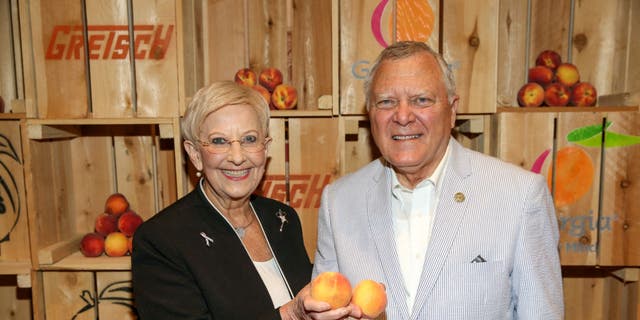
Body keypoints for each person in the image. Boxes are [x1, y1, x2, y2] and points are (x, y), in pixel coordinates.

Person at [311, 41, 564, 319]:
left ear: (452, 110)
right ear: (370, 113)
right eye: (386, 102)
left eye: (421, 100)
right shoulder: (339, 202)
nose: (403, 116)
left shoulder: (519, 195)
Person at [132, 81, 353, 319]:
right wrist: (290, 315)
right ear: (195, 155)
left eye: (249, 139)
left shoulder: (282, 218)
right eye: (219, 141)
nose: (237, 157)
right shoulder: (161, 240)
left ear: (265, 148)